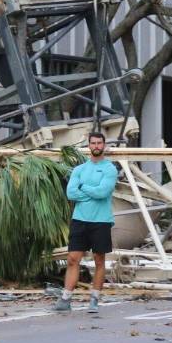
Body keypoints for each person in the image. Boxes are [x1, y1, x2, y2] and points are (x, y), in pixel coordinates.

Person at [56, 132, 118, 314]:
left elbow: (102, 193)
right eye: (93, 143)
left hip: (101, 221)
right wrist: (91, 190)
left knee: (99, 260)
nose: (96, 146)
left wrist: (83, 187)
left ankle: (94, 299)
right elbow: (71, 194)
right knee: (72, 259)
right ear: (89, 146)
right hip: (80, 220)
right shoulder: (79, 170)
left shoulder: (110, 169)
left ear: (104, 146)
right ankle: (66, 298)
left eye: (99, 143)